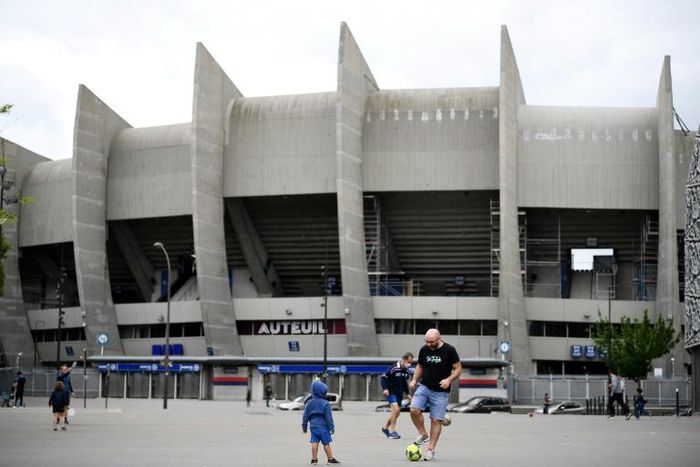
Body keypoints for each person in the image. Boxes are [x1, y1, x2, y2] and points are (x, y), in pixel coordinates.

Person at [409, 329, 461, 462]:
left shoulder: (450, 350)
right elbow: (420, 365)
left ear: (439, 338)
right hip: (424, 385)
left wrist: (449, 380)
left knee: (435, 420)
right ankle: (422, 434)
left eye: (431, 341)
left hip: (440, 392)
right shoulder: (424, 349)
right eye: (427, 341)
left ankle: (431, 450)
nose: (429, 344)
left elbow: (458, 368)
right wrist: (415, 379)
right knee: (414, 409)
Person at [301, 380, 339, 465]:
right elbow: (329, 417)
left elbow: (305, 416)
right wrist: (331, 428)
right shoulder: (325, 403)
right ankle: (330, 459)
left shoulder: (309, 402)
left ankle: (314, 459)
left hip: (313, 426)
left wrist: (304, 427)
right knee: (326, 443)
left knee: (314, 442)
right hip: (323, 426)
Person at [380, 352, 414, 439]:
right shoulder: (394, 368)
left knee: (397, 413)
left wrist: (408, 394)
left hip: (399, 394)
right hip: (391, 392)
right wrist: (385, 389)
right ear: (403, 360)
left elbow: (404, 383)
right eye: (408, 362)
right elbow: (383, 377)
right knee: (395, 409)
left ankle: (385, 428)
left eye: (410, 362)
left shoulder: (406, 371)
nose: (409, 364)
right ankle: (393, 431)